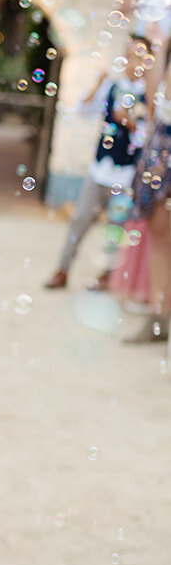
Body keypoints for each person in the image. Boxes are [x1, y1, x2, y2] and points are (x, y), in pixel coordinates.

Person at [44, 36, 151, 291]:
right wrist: (97, 84)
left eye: (140, 57)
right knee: (79, 219)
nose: (134, 62)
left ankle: (106, 276)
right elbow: (84, 111)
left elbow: (146, 139)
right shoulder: (111, 87)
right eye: (130, 55)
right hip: (99, 169)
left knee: (115, 230)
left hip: (126, 175)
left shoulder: (148, 96)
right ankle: (62, 269)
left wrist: (130, 122)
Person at [122, 41, 171, 344]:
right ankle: (158, 317)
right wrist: (163, 47)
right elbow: (154, 103)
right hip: (163, 141)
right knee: (160, 234)